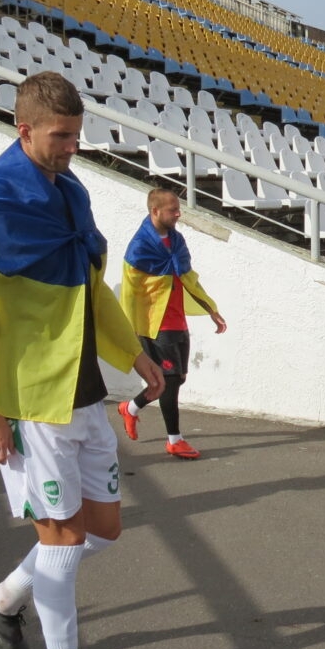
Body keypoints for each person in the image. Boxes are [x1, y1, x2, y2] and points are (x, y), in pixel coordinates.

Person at [0, 72, 163, 649]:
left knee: (104, 530)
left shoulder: (70, 190)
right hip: (28, 401)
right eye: (61, 136)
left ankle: (6, 599)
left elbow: (93, 286)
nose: (73, 147)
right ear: (24, 129)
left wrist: (135, 354)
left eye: (77, 135)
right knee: (66, 540)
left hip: (84, 392)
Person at [116, 188, 226, 459]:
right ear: (155, 211)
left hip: (178, 322)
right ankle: (174, 440)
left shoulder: (177, 241)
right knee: (169, 381)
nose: (178, 214)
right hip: (155, 326)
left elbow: (189, 278)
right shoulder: (140, 247)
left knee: (177, 378)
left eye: (178, 209)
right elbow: (129, 294)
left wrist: (211, 309)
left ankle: (129, 409)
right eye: (172, 210)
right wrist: (129, 331)